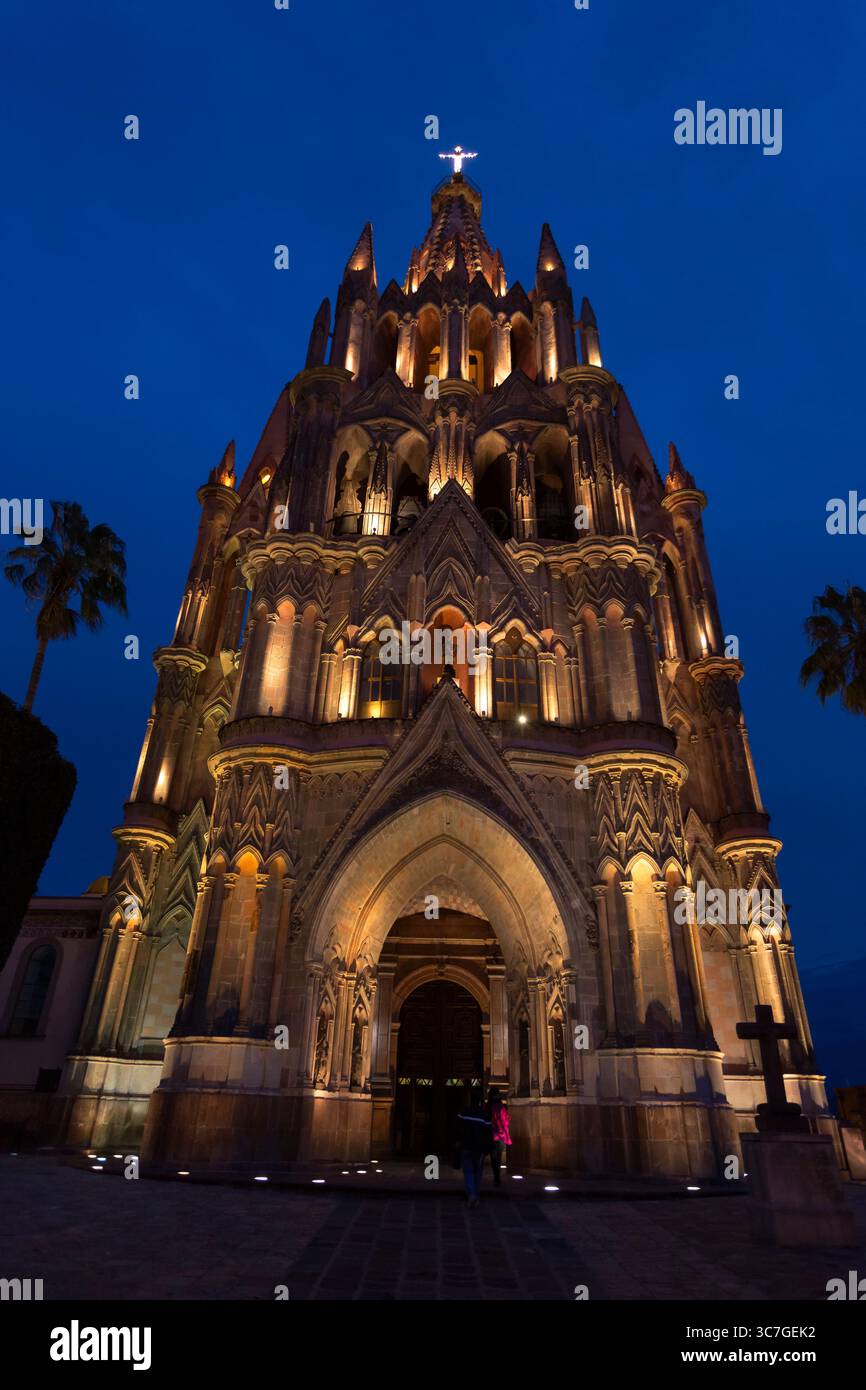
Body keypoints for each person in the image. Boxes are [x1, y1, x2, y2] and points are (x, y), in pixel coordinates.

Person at [455, 1087, 491, 1209]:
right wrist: (487, 1148)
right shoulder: (484, 1115)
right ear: (480, 1101)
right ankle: (474, 1194)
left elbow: (457, 1128)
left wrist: (458, 1142)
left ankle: (472, 1194)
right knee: (477, 1172)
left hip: (466, 1146)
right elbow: (488, 1133)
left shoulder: (464, 1112)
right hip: (479, 1148)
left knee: (469, 1171)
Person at [487, 1087, 512, 1187]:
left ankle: (496, 1177)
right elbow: (506, 1120)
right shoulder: (502, 1106)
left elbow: (487, 1120)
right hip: (501, 1135)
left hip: (493, 1135)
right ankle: (497, 1178)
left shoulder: (489, 1106)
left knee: (493, 1158)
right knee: (498, 1157)